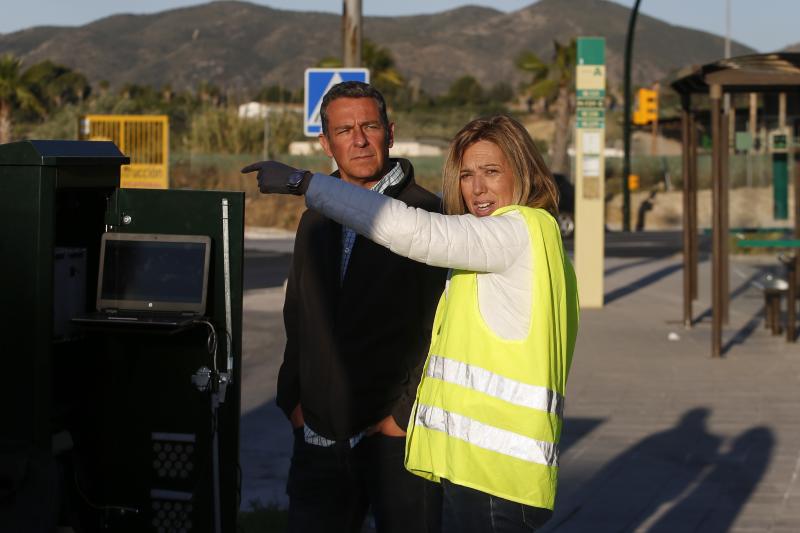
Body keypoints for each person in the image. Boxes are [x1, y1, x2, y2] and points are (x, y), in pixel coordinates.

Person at [244, 114, 580, 532]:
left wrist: (304, 183)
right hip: (488, 471)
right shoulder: (534, 238)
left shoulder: (515, 232)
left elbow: (414, 231)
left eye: (492, 172)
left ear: (524, 171)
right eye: (466, 175)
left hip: (496, 479)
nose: (477, 189)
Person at [243, 81, 445, 533]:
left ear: (390, 133)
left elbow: (441, 328)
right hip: (317, 435)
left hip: (396, 440)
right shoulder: (315, 215)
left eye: (369, 126)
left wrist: (401, 417)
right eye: (344, 130)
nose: (358, 140)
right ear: (325, 142)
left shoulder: (428, 214)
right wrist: (292, 398)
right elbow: (298, 314)